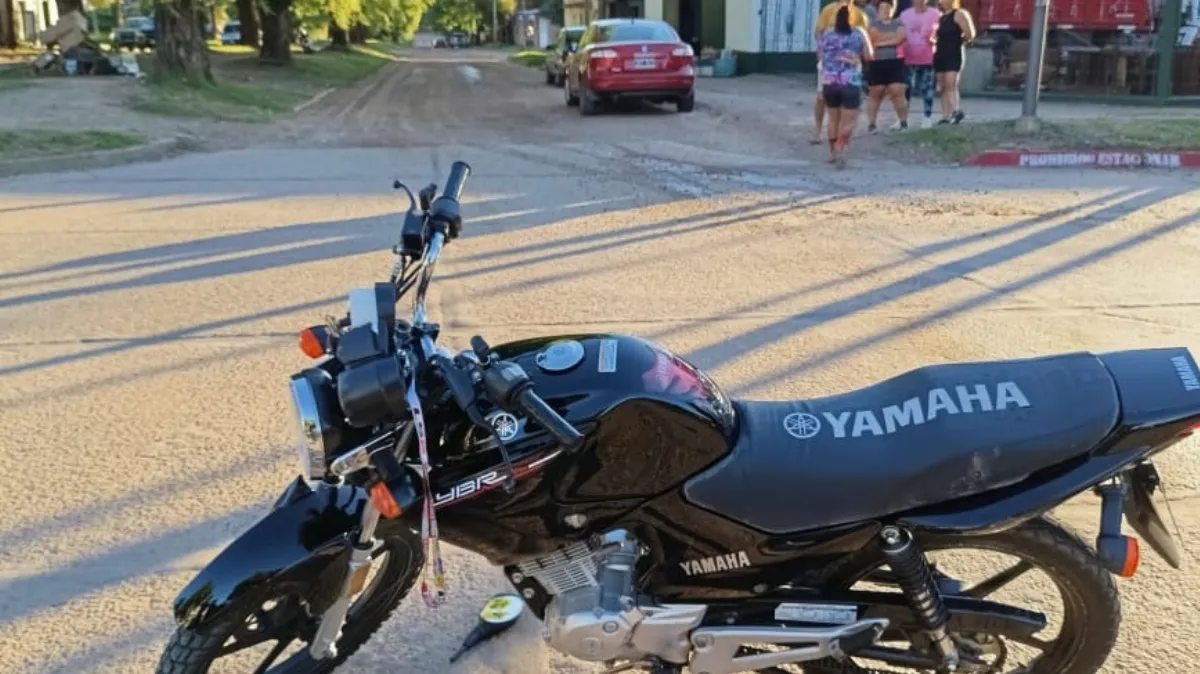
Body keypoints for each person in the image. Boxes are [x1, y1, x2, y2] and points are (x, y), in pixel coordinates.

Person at [818, 6, 873, 168]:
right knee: (849, 121)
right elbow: (869, 55)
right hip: (851, 82)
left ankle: (833, 153)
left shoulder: (827, 34)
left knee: (833, 119)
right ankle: (842, 149)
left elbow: (820, 55)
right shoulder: (859, 33)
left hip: (830, 82)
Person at [812, 0, 869, 145]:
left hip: (836, 70)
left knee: (833, 108)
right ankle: (819, 131)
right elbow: (818, 32)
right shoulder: (829, 10)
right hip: (836, 69)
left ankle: (835, 145)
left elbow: (865, 37)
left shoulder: (860, 14)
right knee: (820, 99)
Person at [866, 0, 909, 132]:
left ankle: (903, 122)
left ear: (893, 9)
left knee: (897, 91)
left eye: (888, 7)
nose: (885, 10)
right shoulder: (873, 24)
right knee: (875, 93)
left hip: (895, 62)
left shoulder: (899, 23)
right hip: (877, 62)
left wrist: (880, 41)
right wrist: (890, 39)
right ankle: (872, 123)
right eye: (882, 8)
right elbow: (871, 39)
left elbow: (900, 38)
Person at [899, 0, 939, 128]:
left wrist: (935, 40)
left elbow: (941, 33)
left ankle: (927, 117)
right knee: (906, 88)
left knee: (926, 87)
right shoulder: (904, 15)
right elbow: (899, 33)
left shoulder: (936, 14)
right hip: (908, 56)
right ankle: (902, 119)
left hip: (927, 57)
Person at [934, 0, 976, 124]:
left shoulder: (959, 14)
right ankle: (945, 115)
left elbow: (970, 34)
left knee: (951, 84)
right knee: (942, 86)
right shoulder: (939, 17)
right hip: (940, 53)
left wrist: (961, 41)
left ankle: (955, 111)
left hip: (954, 53)